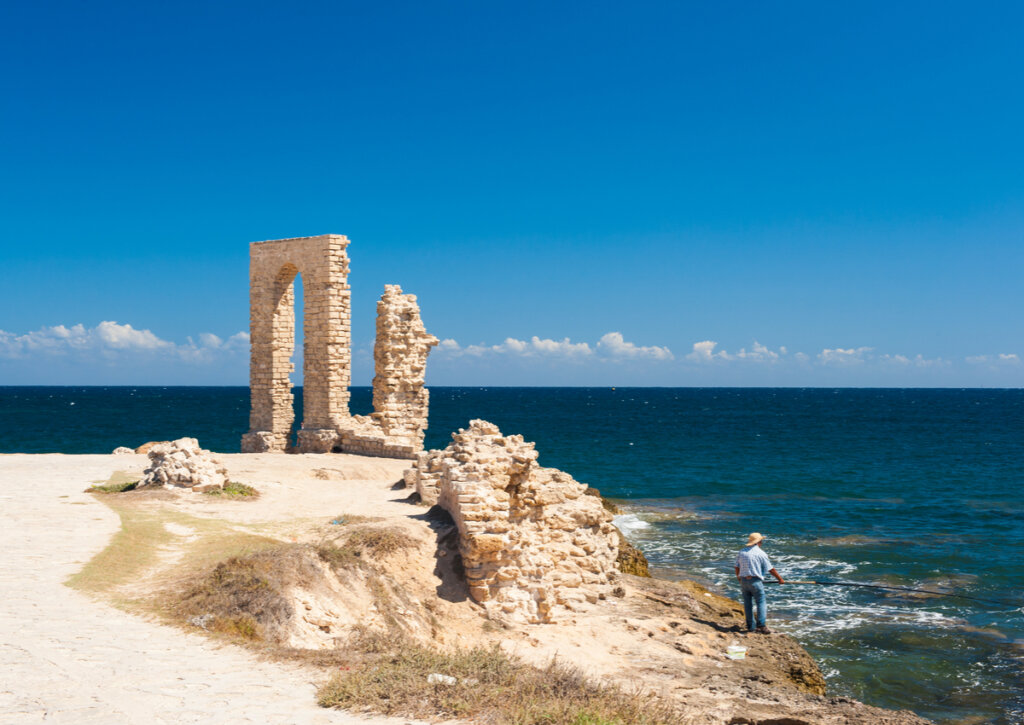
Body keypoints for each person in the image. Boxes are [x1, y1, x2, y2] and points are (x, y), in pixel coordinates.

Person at [734, 532, 784, 634]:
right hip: (755, 581)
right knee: (761, 602)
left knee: (747, 604)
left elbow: (736, 566)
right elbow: (771, 569)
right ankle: (761, 625)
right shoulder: (761, 553)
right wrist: (780, 579)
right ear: (759, 542)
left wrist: (739, 578)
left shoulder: (742, 552)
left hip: (744, 580)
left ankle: (751, 627)